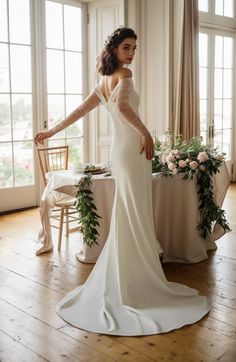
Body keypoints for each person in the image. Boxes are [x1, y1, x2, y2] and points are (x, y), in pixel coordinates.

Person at [34, 27, 209, 336]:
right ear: (114, 49)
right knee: (133, 212)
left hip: (123, 152)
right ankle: (134, 280)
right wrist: (144, 133)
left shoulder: (102, 80)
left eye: (134, 47)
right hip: (132, 149)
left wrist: (51, 131)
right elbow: (123, 107)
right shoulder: (124, 75)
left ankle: (128, 277)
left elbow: (80, 111)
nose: (132, 53)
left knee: (130, 212)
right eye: (127, 47)